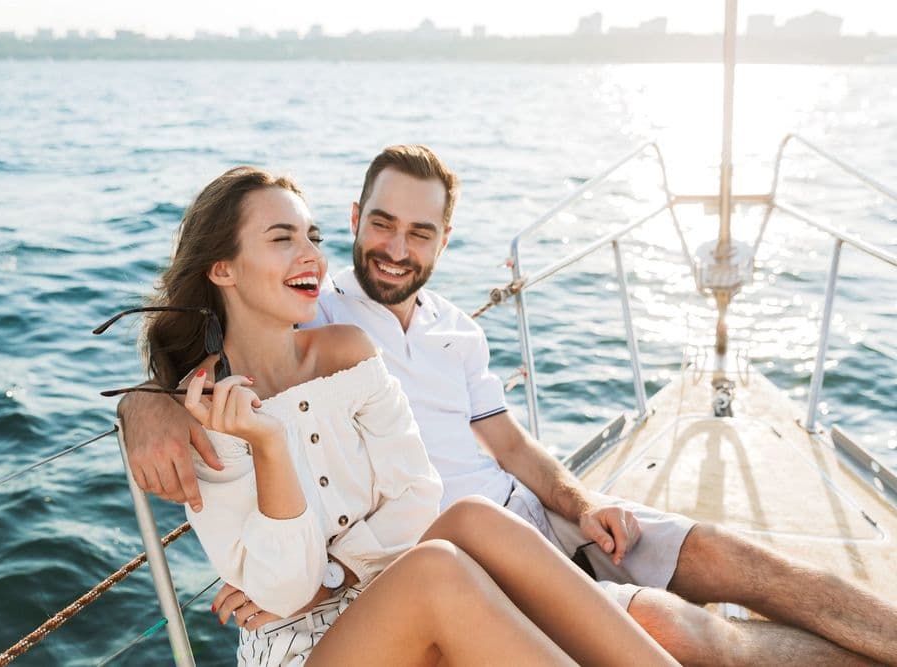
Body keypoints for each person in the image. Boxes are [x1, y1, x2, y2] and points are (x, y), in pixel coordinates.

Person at [119, 148, 897, 667]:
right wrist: (147, 406)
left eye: (420, 232)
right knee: (679, 624)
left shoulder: (409, 336)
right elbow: (183, 356)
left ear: (445, 240)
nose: (394, 247)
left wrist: (581, 500)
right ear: (360, 220)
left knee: (724, 556)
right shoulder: (306, 320)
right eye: (379, 223)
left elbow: (473, 465)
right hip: (360, 602)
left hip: (506, 525)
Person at [116, 165, 677, 666]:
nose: (312, 255)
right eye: (282, 239)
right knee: (436, 571)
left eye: (313, 236)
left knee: (473, 519)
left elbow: (417, 493)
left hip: (379, 586)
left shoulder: (348, 351)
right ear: (223, 269)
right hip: (297, 646)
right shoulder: (203, 412)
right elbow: (284, 593)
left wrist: (339, 577)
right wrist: (267, 444)